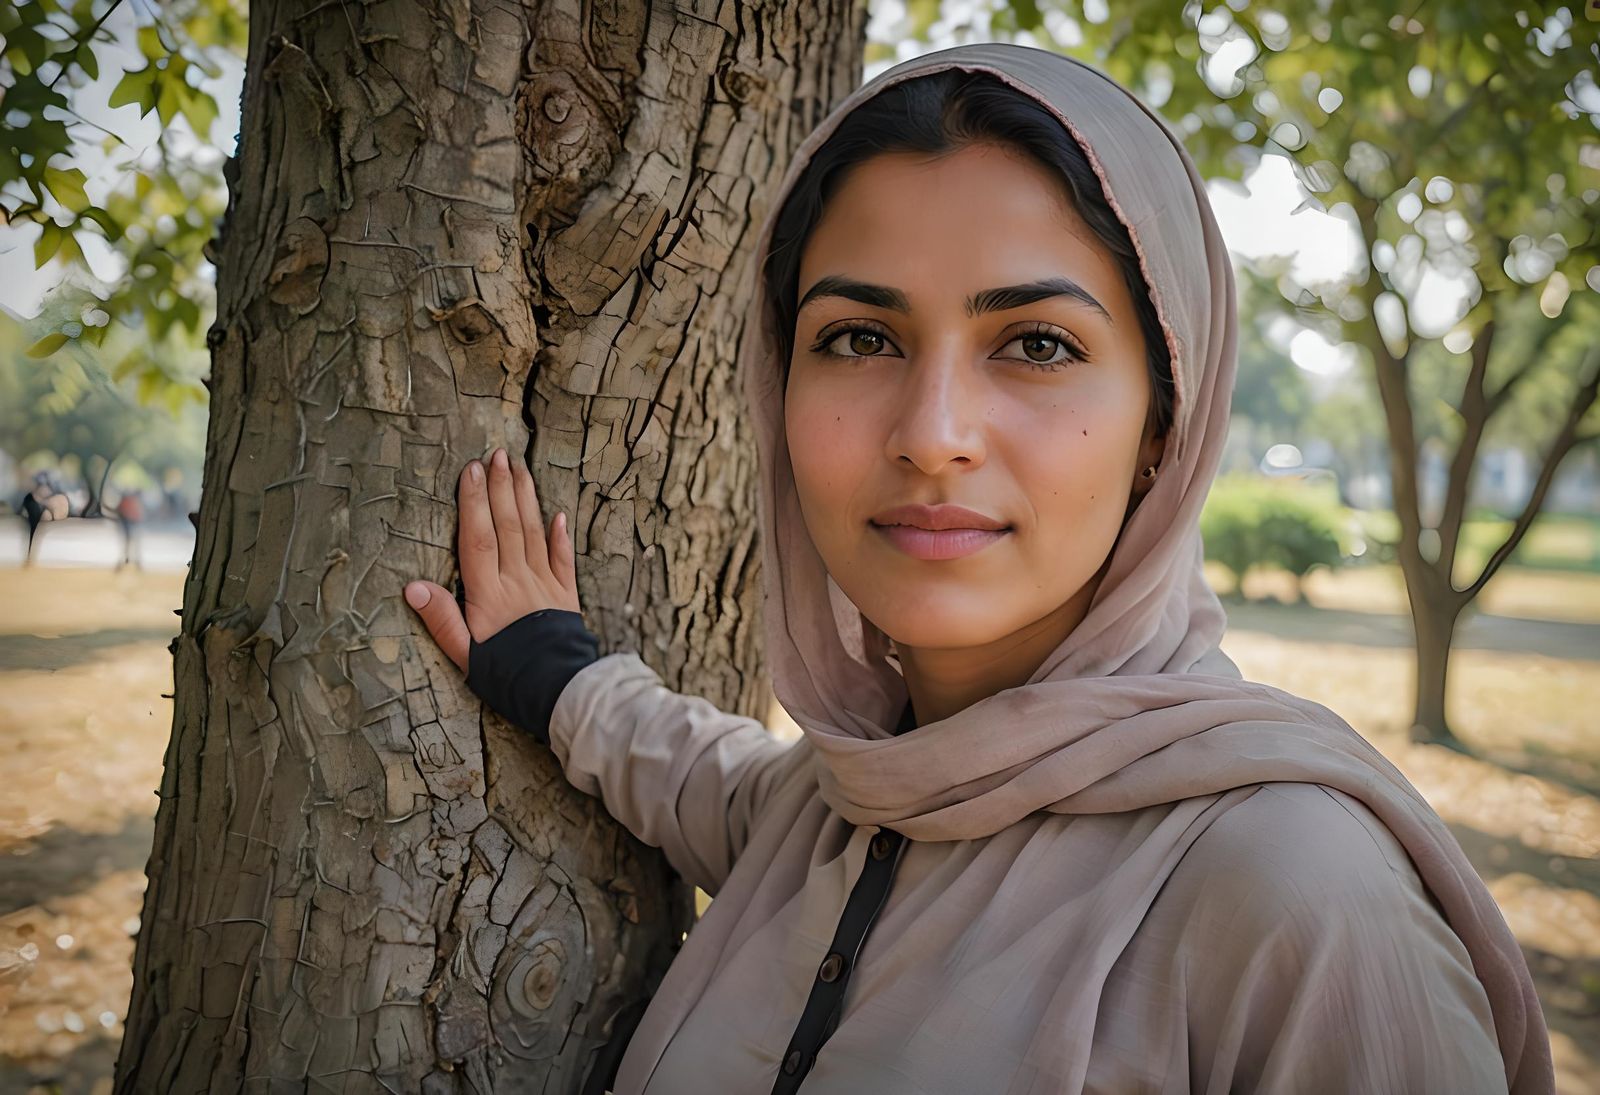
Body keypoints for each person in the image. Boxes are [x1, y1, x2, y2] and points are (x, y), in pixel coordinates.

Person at [405, 43, 1552, 1095]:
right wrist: (551, 669)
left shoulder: (1293, 894)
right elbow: (723, 786)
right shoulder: (850, 802)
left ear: (1167, 419)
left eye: (1037, 345)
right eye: (860, 337)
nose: (932, 431)